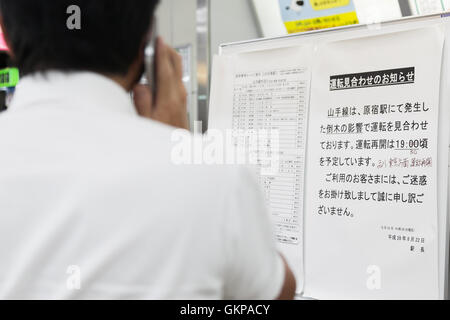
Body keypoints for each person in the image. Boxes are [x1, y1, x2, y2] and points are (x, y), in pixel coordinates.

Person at [0, 0, 296, 299]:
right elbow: (274, 293)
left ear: (6, 34)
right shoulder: (217, 180)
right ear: (148, 43)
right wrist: (182, 151)